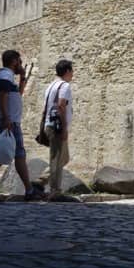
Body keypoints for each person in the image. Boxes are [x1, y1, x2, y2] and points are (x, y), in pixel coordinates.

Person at [0, 50, 39, 202]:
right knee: (11, 155)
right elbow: (3, 96)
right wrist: (7, 119)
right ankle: (28, 190)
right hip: (7, 121)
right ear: (13, 61)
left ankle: (27, 190)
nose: (20, 64)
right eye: (19, 61)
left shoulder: (8, 76)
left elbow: (17, 95)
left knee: (12, 155)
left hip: (9, 120)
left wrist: (23, 78)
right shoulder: (6, 76)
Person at [43, 59, 74, 200]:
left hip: (49, 124)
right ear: (67, 71)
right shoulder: (65, 86)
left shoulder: (51, 86)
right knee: (56, 159)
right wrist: (64, 128)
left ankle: (40, 180)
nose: (73, 74)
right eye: (71, 71)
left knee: (64, 157)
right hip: (57, 127)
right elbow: (61, 105)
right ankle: (55, 191)